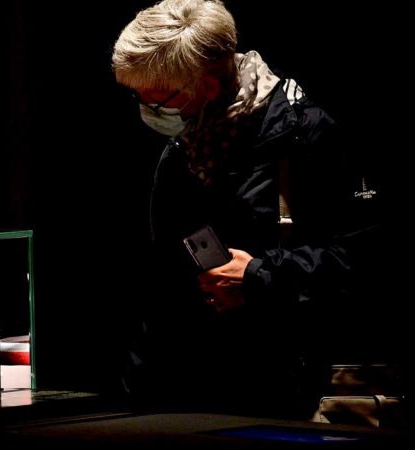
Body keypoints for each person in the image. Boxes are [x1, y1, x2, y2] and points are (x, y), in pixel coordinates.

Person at [111, 0, 381, 419]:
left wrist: (258, 276)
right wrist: (137, 399)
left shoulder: (306, 133)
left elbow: (367, 258)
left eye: (155, 98)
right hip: (198, 395)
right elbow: (163, 285)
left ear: (208, 88)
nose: (145, 107)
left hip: (290, 394)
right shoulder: (185, 144)